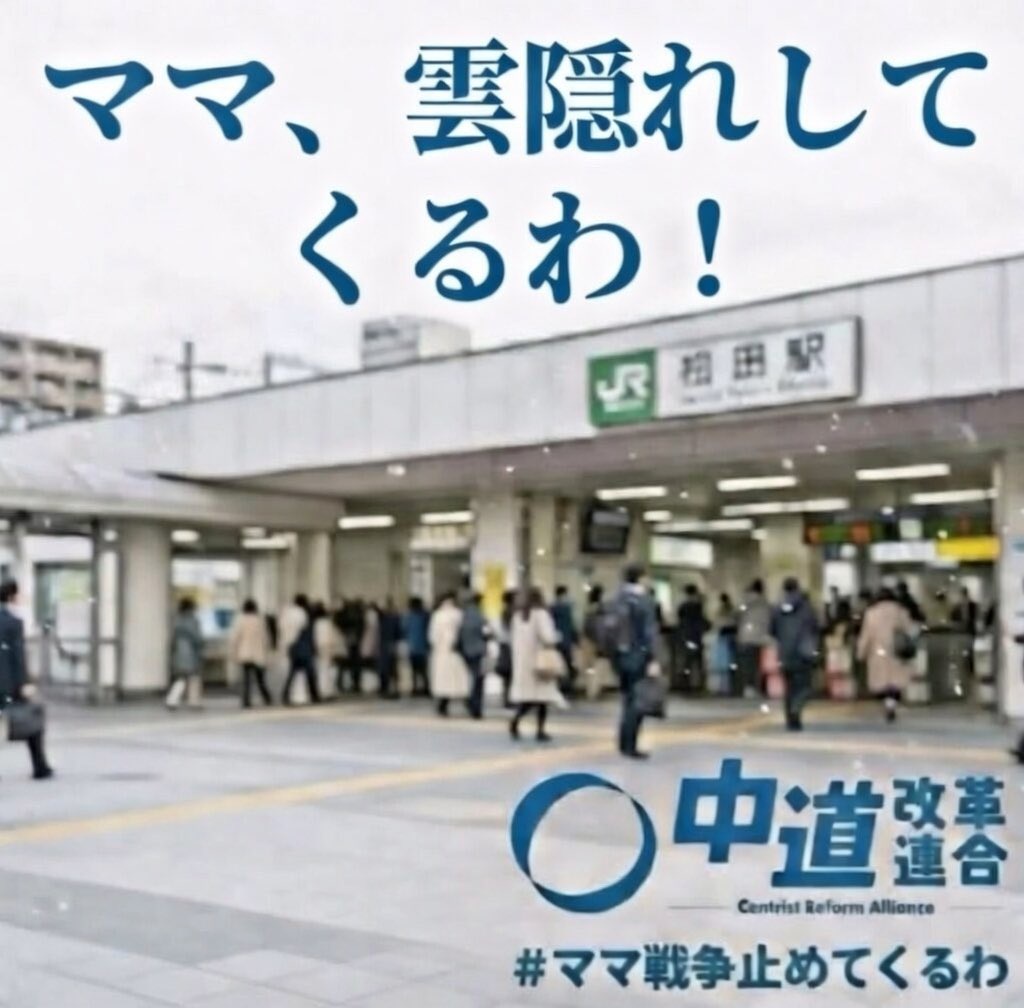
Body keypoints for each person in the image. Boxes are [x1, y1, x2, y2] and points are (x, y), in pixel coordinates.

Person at [0, 579, 54, 779]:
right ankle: (40, 766)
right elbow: (18, 656)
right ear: (12, 596)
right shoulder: (14, 623)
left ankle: (41, 766)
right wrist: (24, 683)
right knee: (33, 721)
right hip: (8, 684)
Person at [610, 565, 659, 759]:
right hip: (639, 655)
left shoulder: (616, 599)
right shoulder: (644, 601)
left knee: (627, 699)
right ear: (640, 578)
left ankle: (623, 743)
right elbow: (649, 632)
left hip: (619, 655)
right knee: (638, 701)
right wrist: (653, 658)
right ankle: (631, 745)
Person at [509, 587, 561, 742]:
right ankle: (540, 730)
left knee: (528, 698)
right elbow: (548, 637)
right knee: (542, 699)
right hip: (540, 661)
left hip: (523, 662)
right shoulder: (541, 614)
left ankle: (516, 721)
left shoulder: (518, 616)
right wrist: (557, 637)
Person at [858, 585, 915, 722]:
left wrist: (861, 653)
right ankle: (892, 704)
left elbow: (866, 636)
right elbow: (910, 630)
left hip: (878, 652)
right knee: (895, 681)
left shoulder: (871, 613)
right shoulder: (900, 611)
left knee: (882, 682)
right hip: (897, 650)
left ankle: (887, 704)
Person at [770, 577, 820, 731]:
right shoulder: (807, 607)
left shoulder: (777, 608)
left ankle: (791, 721)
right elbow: (815, 627)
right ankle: (796, 708)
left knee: (789, 688)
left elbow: (772, 630)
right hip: (803, 652)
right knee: (805, 686)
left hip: (785, 653)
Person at [429, 593, 470, 715]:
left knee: (443, 682)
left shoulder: (437, 615)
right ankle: (468, 704)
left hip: (441, 652)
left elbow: (432, 636)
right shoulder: (460, 614)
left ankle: (443, 706)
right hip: (456, 652)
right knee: (460, 680)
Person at [229, 598, 272, 707]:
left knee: (246, 679)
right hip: (258, 653)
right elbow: (265, 638)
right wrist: (267, 651)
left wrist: (233, 652)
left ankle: (246, 700)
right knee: (260, 678)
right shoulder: (259, 620)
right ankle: (267, 697)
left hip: (245, 652)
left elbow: (234, 637)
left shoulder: (240, 620)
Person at [166, 596, 204, 710]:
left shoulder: (177, 620)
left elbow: (173, 639)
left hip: (179, 653)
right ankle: (194, 701)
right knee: (194, 677)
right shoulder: (193, 620)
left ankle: (171, 700)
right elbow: (197, 638)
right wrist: (201, 646)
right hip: (191, 653)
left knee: (181, 678)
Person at [281, 594, 320, 705]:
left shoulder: (288, 613)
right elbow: (305, 629)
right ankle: (314, 696)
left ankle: (285, 695)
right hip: (302, 645)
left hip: (292, 646)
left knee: (292, 673)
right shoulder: (303, 613)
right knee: (310, 672)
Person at [737, 579, 771, 698]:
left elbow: (738, 615)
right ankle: (758, 687)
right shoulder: (765, 603)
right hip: (760, 637)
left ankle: (748, 687)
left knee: (747, 664)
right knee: (757, 664)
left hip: (745, 637)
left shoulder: (744, 602)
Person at [458, 592, 490, 718]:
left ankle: (471, 701)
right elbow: (486, 633)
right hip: (478, 650)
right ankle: (475, 706)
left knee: (470, 677)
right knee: (478, 679)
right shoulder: (480, 615)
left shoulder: (464, 614)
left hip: (466, 650)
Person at [676, 584, 709, 692]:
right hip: (695, 636)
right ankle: (699, 684)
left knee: (687, 661)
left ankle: (685, 684)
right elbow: (702, 621)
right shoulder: (697, 606)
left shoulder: (683, 606)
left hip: (685, 635)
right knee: (697, 661)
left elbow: (680, 620)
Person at [549, 586, 579, 694]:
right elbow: (571, 625)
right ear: (563, 594)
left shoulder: (551, 608)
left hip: (556, 640)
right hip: (565, 641)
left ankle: (561, 686)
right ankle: (567, 687)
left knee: (560, 664)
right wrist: (576, 638)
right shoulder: (566, 608)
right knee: (568, 664)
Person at [402, 597, 431, 697]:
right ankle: (426, 688)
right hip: (422, 647)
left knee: (414, 670)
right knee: (423, 670)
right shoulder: (425, 616)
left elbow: (404, 630)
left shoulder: (408, 617)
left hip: (413, 647)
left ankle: (415, 688)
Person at [375, 597, 402, 699]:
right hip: (390, 645)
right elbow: (399, 632)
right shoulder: (393, 618)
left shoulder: (384, 618)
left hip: (386, 645)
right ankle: (391, 690)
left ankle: (387, 690)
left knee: (387, 670)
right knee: (391, 670)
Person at [711, 592, 738, 694]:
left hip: (723, 637)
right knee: (731, 663)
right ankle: (730, 687)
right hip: (732, 637)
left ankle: (722, 688)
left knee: (722, 664)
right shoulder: (733, 611)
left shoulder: (720, 612)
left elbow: (717, 624)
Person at [494, 590, 516, 708]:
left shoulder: (504, 611)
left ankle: (508, 698)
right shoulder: (510, 611)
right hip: (510, 645)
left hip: (505, 644)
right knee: (510, 673)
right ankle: (509, 699)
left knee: (507, 674)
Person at [338, 598, 366, 693]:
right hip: (355, 641)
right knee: (355, 664)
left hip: (349, 641)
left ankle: (344, 683)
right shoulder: (359, 616)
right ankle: (355, 683)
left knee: (345, 664)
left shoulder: (345, 616)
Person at [311, 601, 337, 700]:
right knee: (326, 670)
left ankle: (321, 691)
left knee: (319, 670)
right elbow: (331, 637)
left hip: (318, 648)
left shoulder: (314, 623)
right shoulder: (327, 622)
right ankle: (327, 691)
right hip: (327, 648)